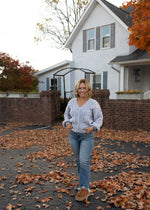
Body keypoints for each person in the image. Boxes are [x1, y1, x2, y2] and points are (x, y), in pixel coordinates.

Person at [63, 79, 103, 201]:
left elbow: (99, 118)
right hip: (73, 135)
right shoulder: (72, 102)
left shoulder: (93, 103)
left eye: (84, 88)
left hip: (87, 136)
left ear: (88, 89)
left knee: (84, 161)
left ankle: (85, 187)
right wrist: (67, 123)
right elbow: (67, 116)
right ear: (77, 89)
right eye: (80, 88)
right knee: (79, 161)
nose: (82, 90)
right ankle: (81, 184)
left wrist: (93, 127)